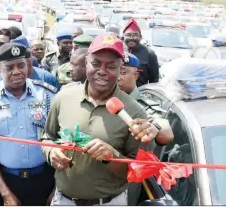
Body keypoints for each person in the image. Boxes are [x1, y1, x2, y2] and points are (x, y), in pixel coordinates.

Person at [40, 34, 167, 206]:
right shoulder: (63, 98)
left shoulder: (134, 112)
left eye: (111, 66)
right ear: (86, 63)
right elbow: (46, 137)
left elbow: (136, 170)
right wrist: (51, 153)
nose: (102, 71)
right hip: (63, 200)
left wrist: (111, 156)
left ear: (120, 69)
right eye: (95, 63)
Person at [0, 43, 57, 206]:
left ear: (28, 65)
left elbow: (63, 142)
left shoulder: (47, 95)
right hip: (7, 181)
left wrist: (57, 188)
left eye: (21, 65)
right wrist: (5, 194)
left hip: (44, 179)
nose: (17, 71)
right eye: (9, 67)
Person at [118, 53, 174, 205]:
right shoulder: (107, 101)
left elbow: (165, 131)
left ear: (135, 75)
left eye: (123, 72)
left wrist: (155, 127)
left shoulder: (146, 106)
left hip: (130, 183)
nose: (117, 77)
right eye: (115, 71)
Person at [122, 18, 160, 87]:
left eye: (135, 35)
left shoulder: (149, 54)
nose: (131, 38)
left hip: (139, 94)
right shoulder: (117, 51)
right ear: (123, 37)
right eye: (128, 35)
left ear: (140, 37)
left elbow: (154, 81)